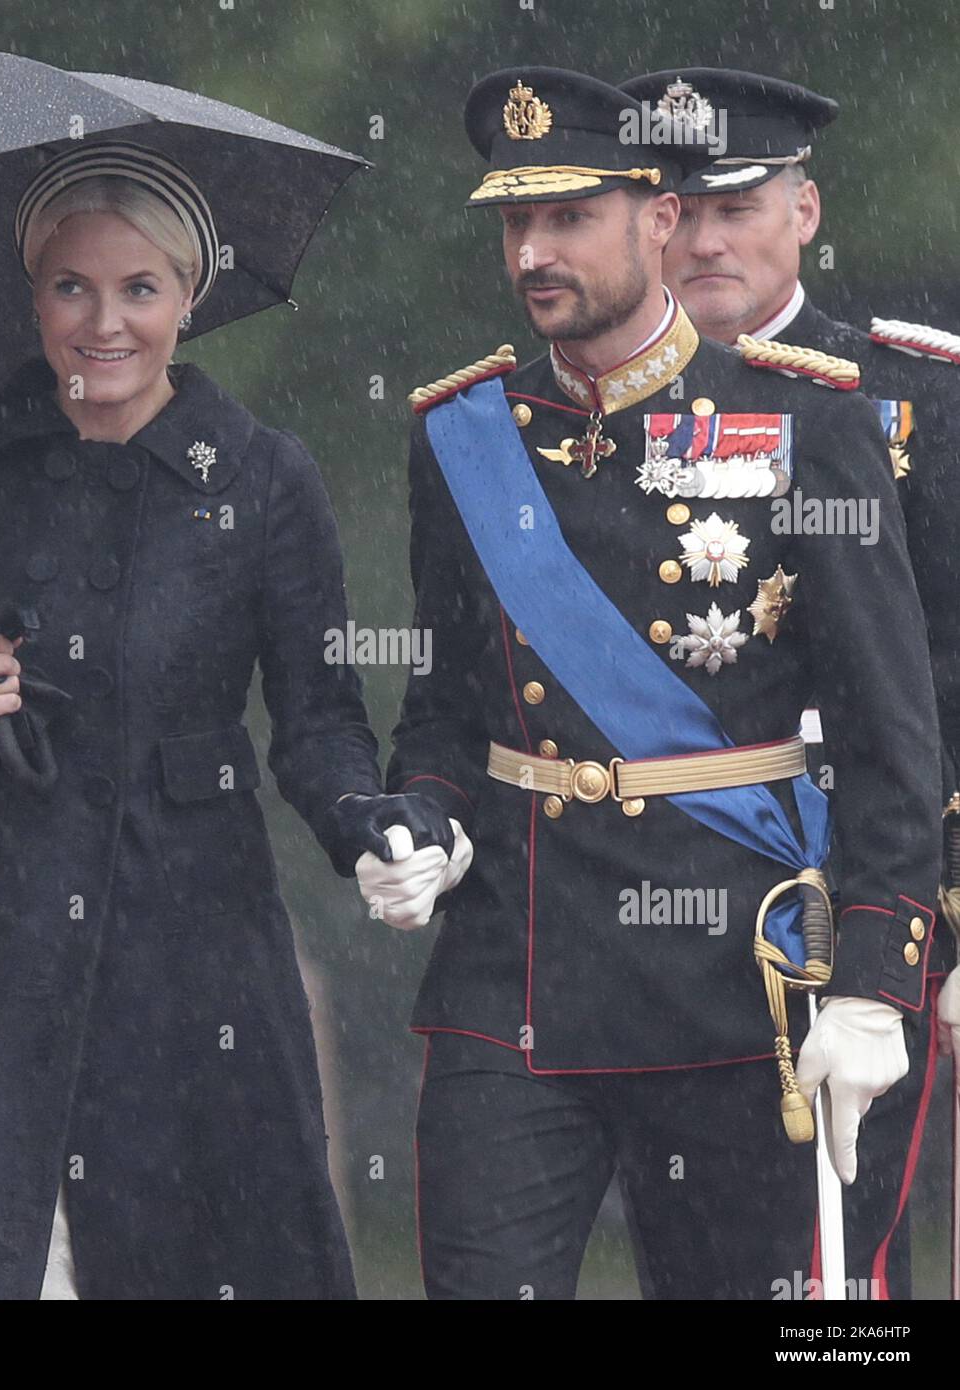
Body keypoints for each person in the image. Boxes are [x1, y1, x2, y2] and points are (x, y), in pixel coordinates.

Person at [357, 67, 941, 1299]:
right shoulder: (465, 434)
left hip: (738, 990)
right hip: (514, 983)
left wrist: (883, 978)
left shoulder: (809, 422)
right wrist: (422, 817)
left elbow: (895, 737)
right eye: (517, 224)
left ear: (657, 221)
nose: (533, 254)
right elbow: (451, 710)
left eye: (568, 219)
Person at [0, 138, 453, 1300]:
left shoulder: (267, 479)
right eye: (71, 286)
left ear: (191, 295)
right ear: (33, 295)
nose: (103, 322)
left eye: (140, 288)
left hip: (196, 946)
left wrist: (365, 821)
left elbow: (319, 722)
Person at [619, 66, 960, 1296]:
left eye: (737, 207)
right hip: (654, 903)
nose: (704, 239)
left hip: (859, 895)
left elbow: (948, 672)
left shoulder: (916, 393)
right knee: (690, 1264)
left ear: (803, 212)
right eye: (677, 210)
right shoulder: (593, 419)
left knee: (837, 1268)